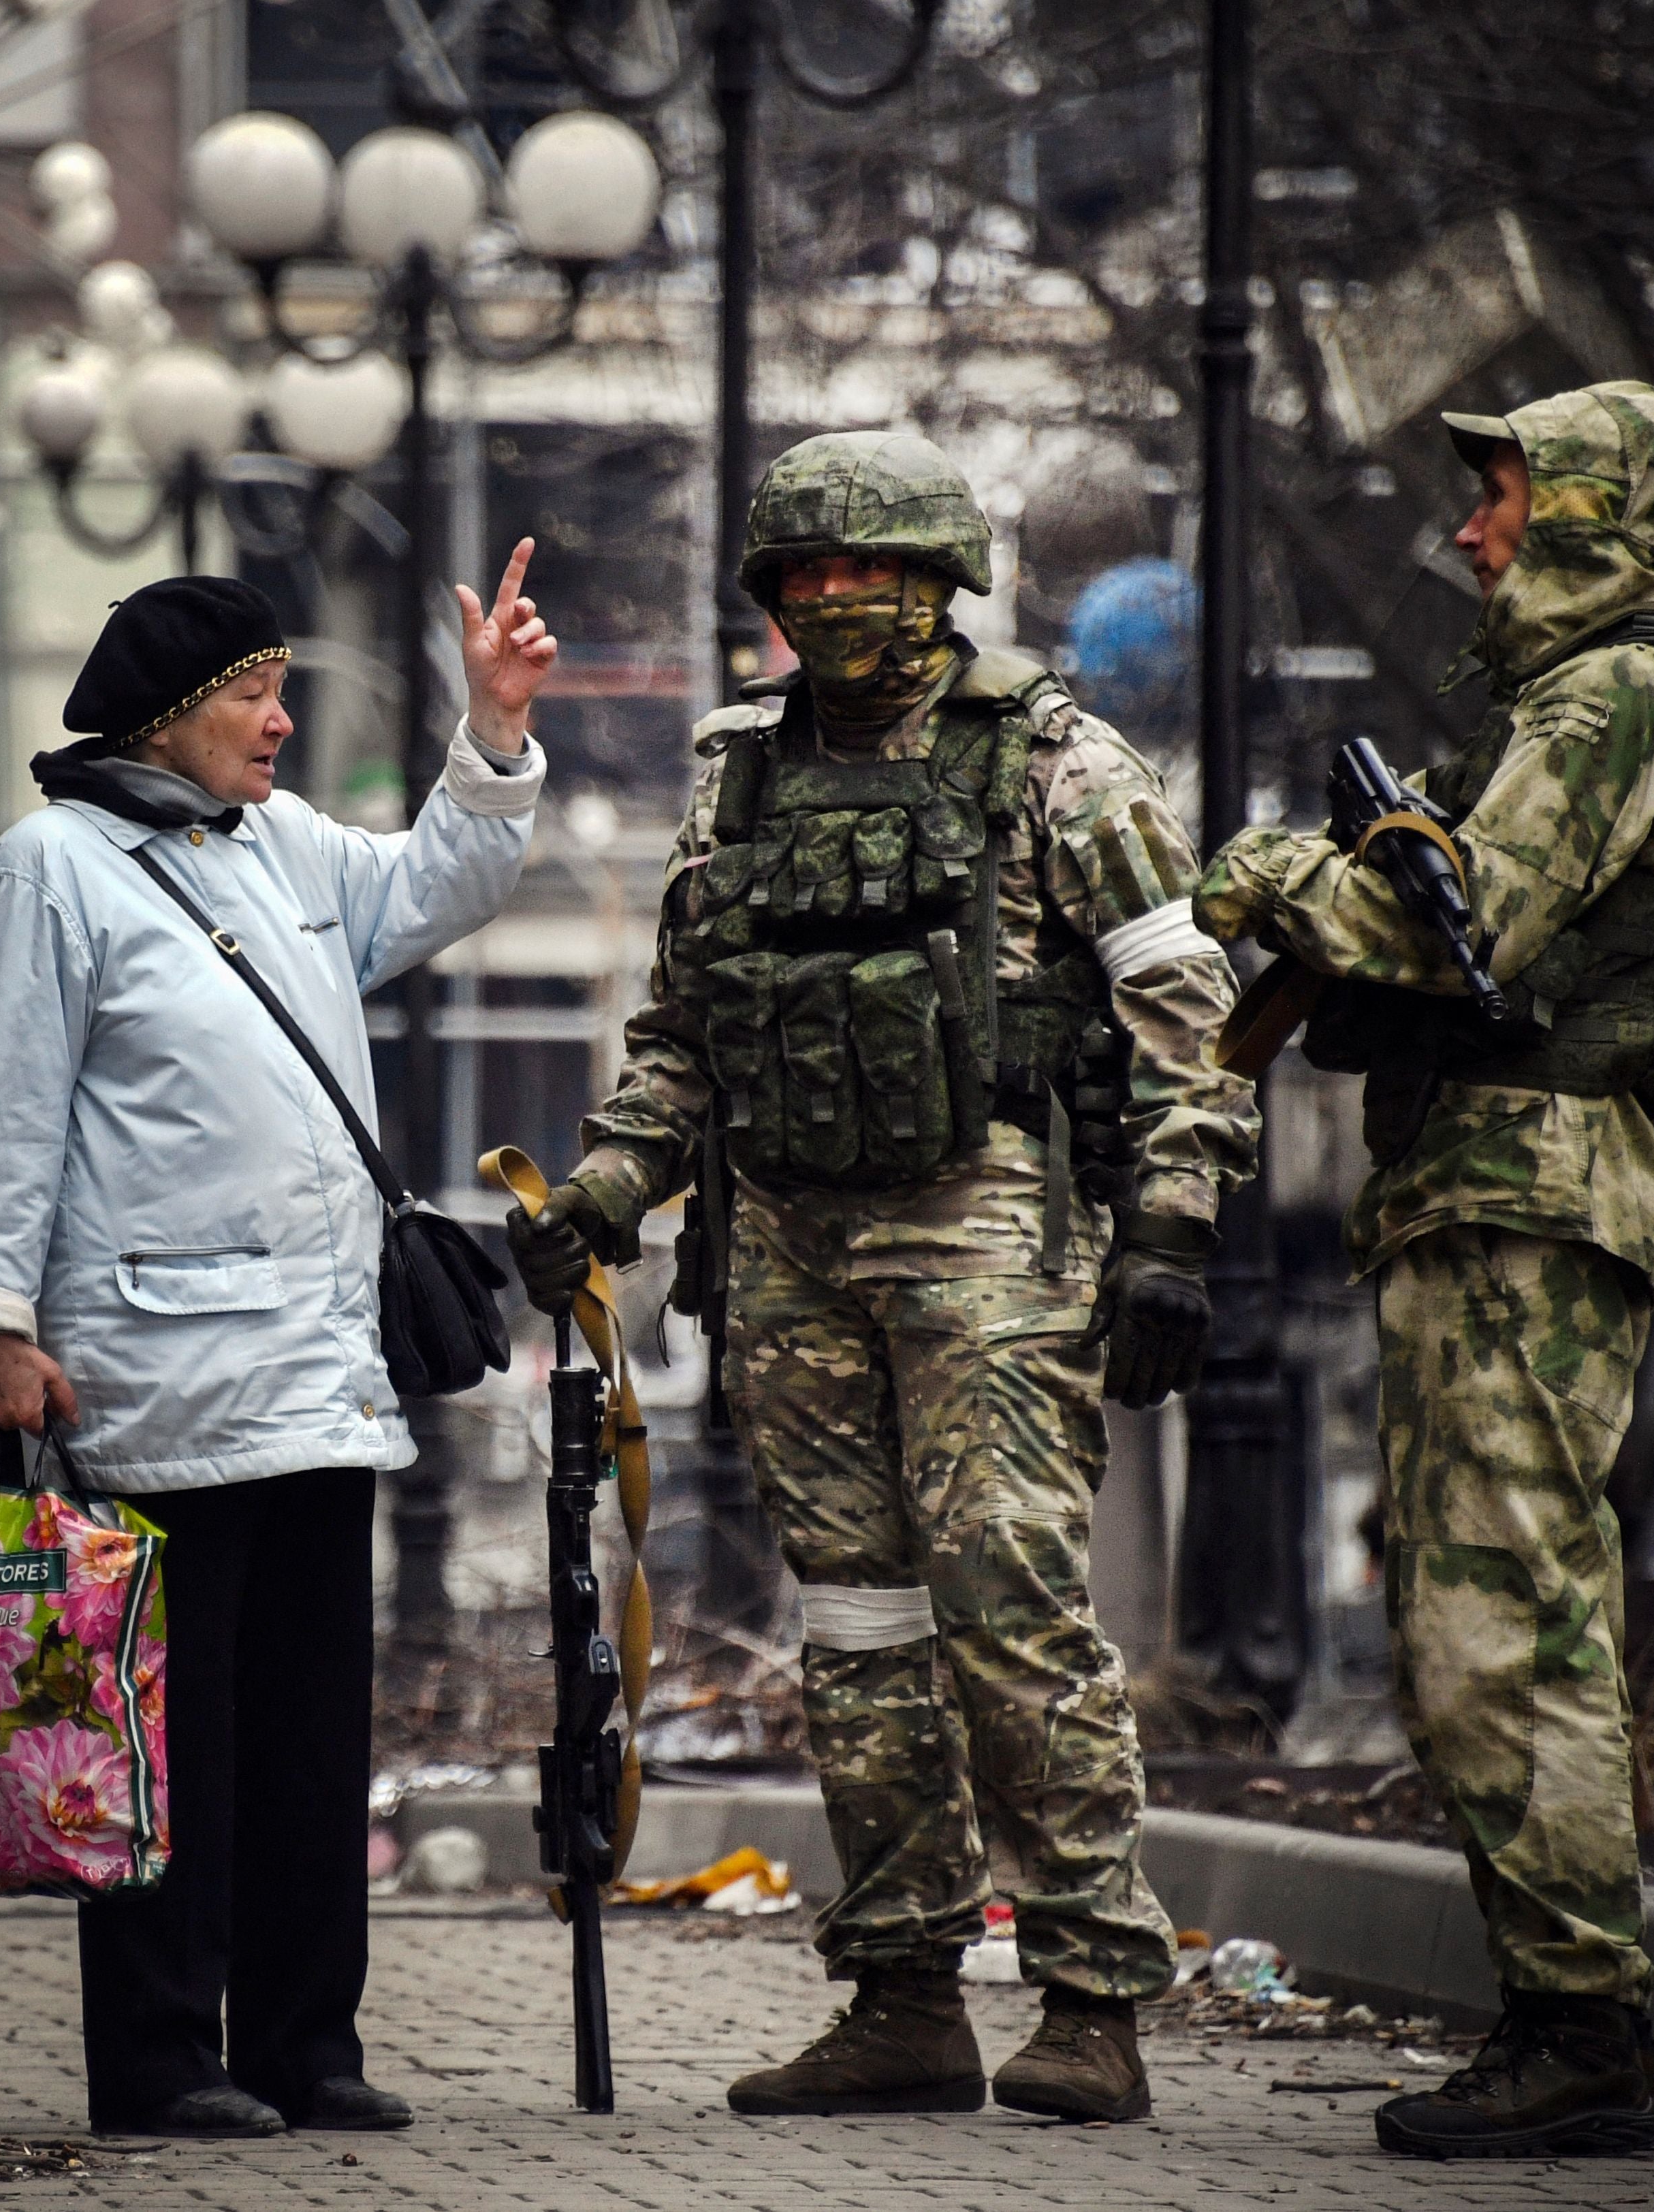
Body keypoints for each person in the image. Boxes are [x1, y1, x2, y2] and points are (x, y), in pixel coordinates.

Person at [506, 428, 1256, 2125]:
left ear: (944, 581)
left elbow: (1180, 1006)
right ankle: (905, 1993)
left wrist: (1173, 1231)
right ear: (772, 596)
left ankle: (1091, 1998)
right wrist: (609, 1192)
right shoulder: (740, 774)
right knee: (855, 1632)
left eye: (876, 572)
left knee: (1013, 1610)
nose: (840, 600)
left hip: (992, 1232)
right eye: (808, 576)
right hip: (789, 1249)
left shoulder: (1056, 759)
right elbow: (687, 1033)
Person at [1193, 381, 1654, 2160]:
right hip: (1508, 1184)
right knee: (1501, 1619)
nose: (1469, 527)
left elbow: (1468, 927)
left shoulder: (1612, 691)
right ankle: (1570, 2021)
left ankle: (1581, 2029)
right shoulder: (1598, 692)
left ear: (1585, 506)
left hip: (1530, 1187)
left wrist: (1270, 870)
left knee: (1492, 1626)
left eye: (1503, 492)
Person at [0, 556, 558, 2139]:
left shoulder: (282, 847)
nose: (283, 721)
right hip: (150, 1371)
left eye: (283, 691)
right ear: (166, 715)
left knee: (304, 1736)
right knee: (162, 1740)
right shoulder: (52, 868)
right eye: (253, 696)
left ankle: (303, 2045)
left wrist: (490, 731)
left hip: (314, 1373)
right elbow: (2, 1109)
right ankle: (157, 2058)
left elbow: (437, 887)